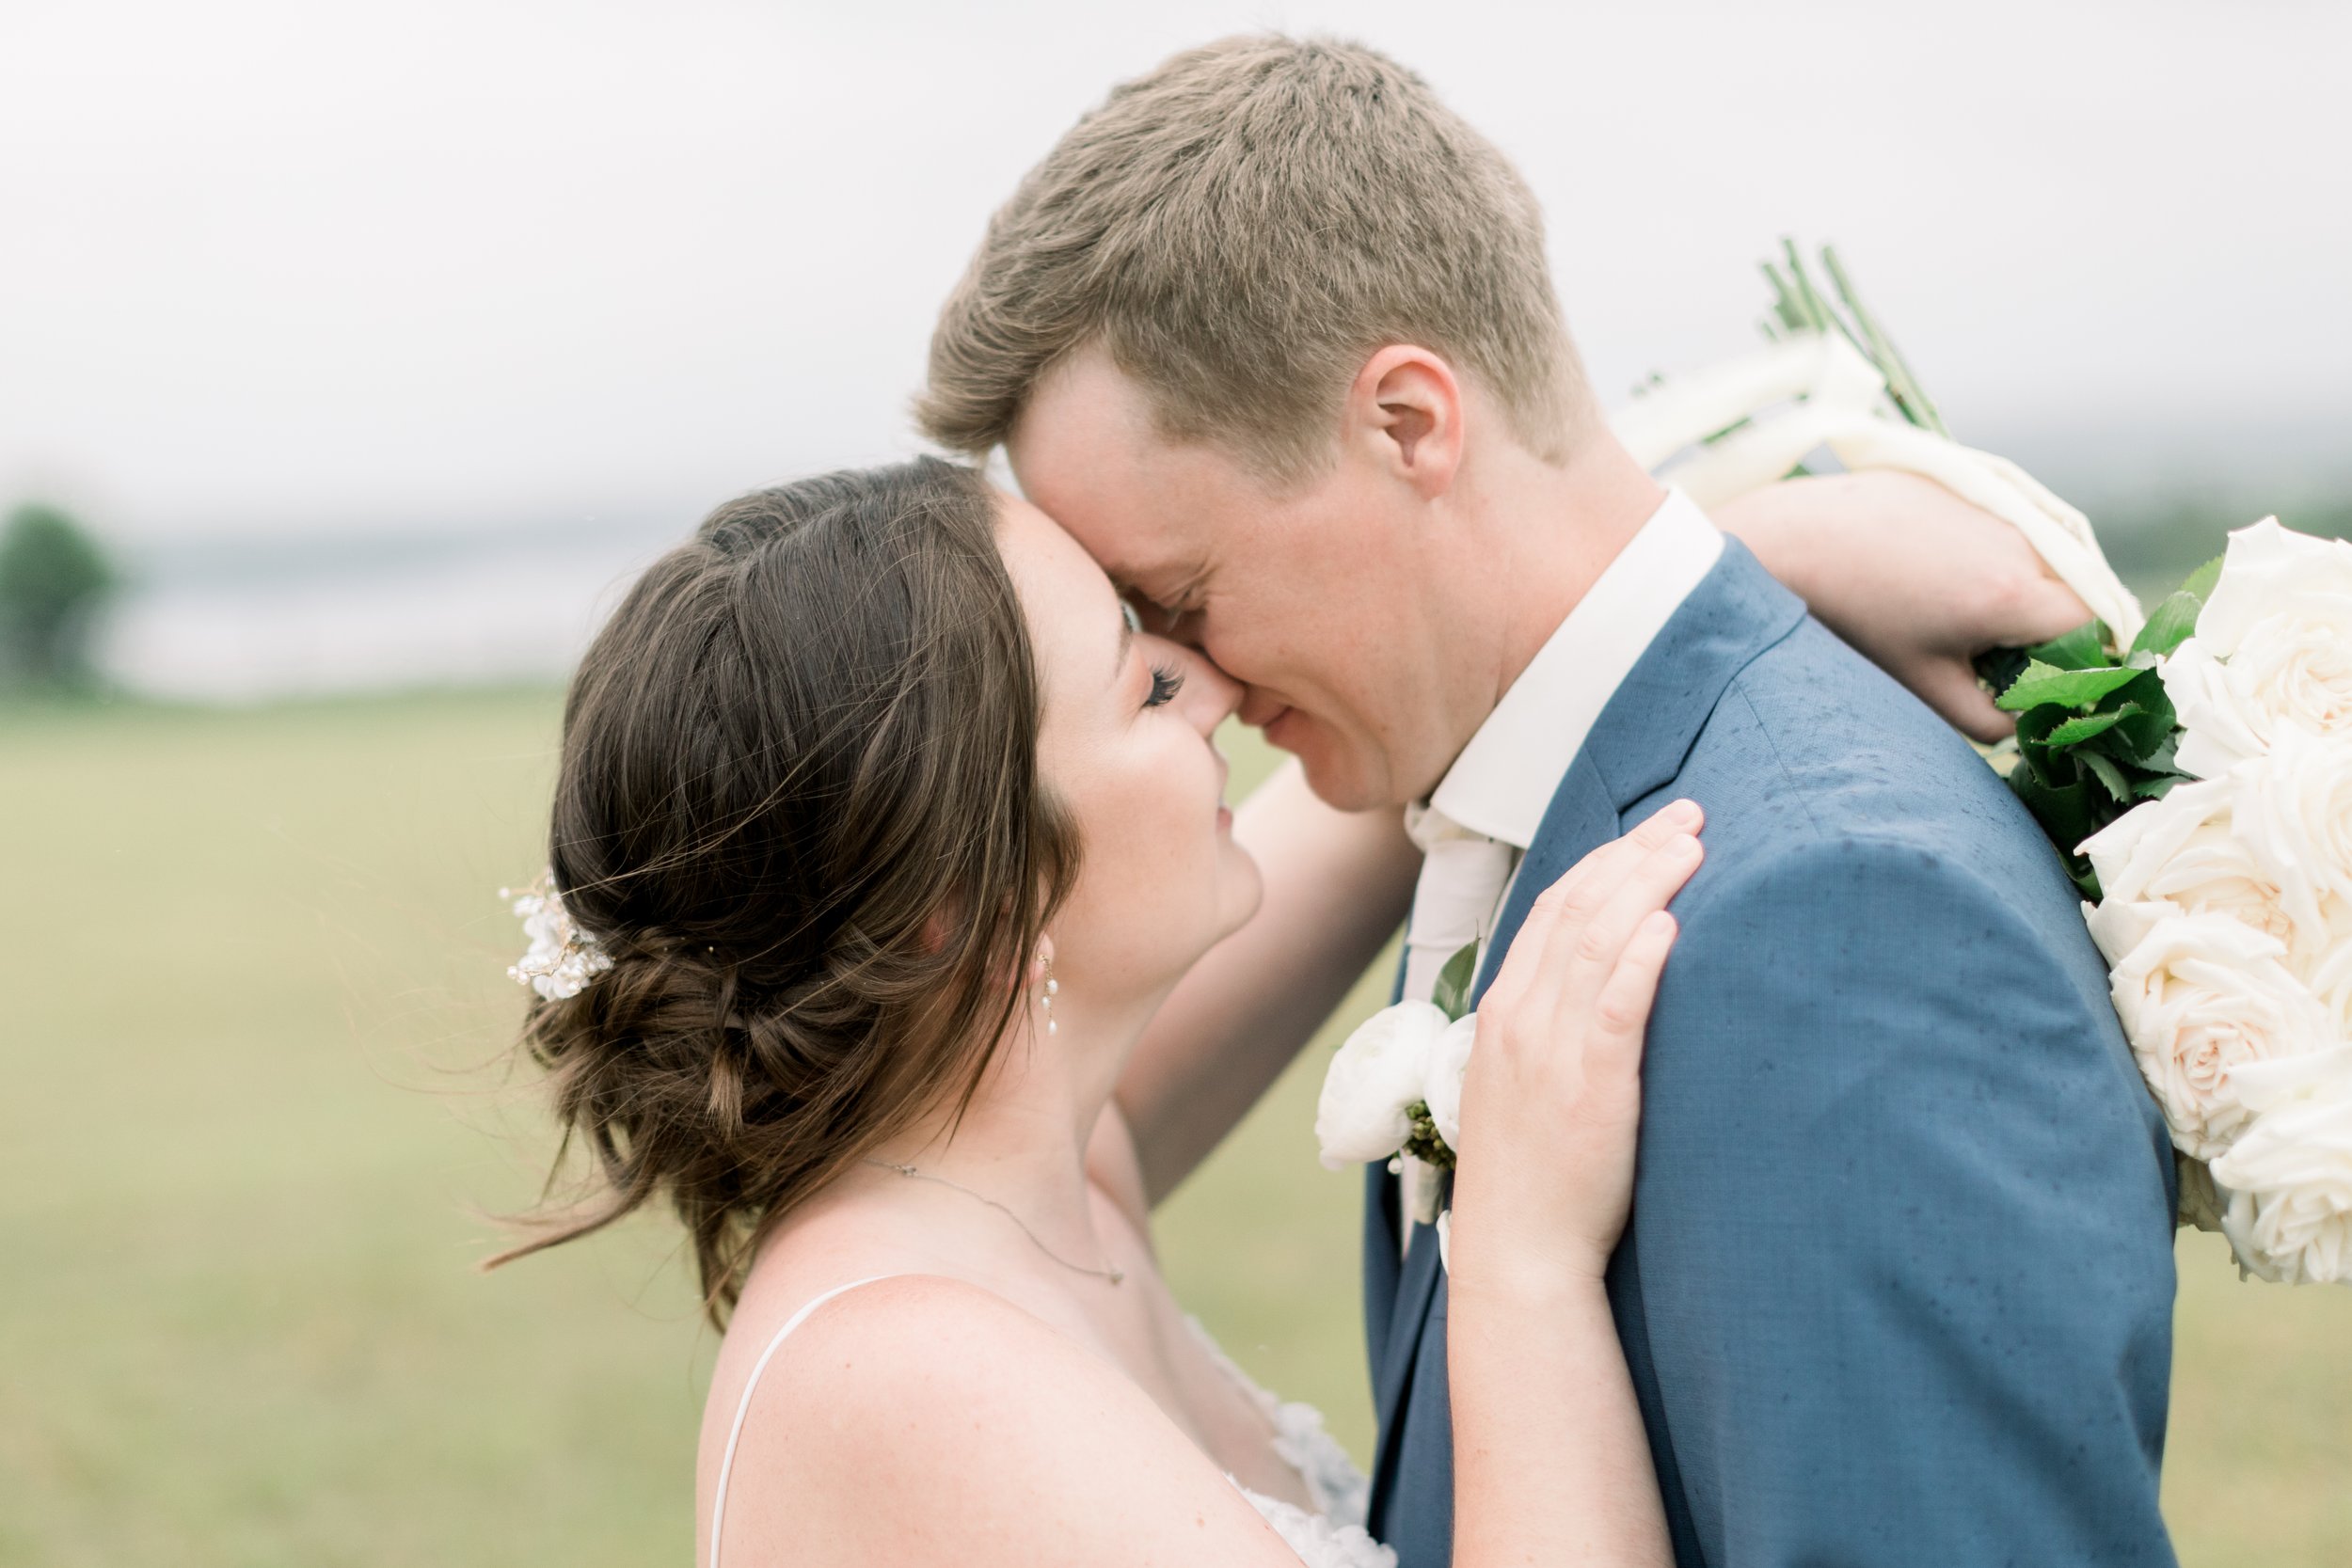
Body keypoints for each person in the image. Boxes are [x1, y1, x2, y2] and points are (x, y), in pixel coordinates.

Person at [915, 34, 2180, 1568]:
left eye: (1181, 594)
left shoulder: (1837, 922)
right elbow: (1026, 1138)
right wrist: (1745, 546)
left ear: (1407, 424)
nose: (1206, 690)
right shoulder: (1517, 787)